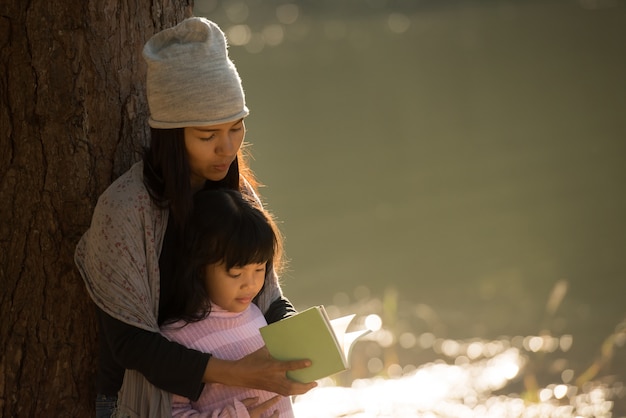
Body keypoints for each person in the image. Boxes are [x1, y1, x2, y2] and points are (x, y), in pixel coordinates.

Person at [74, 17, 315, 418]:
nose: (226, 149)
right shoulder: (125, 210)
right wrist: (240, 373)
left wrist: (303, 344)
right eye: (207, 136)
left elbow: (266, 297)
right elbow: (130, 343)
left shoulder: (236, 194)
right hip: (142, 401)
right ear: (171, 134)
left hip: (241, 401)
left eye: (236, 129)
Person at [160, 188, 294, 418]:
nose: (250, 285)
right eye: (235, 273)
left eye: (259, 269)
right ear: (200, 267)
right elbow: (171, 412)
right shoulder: (177, 338)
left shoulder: (255, 314)